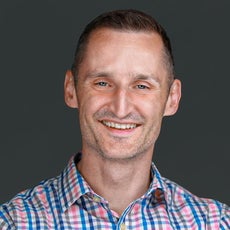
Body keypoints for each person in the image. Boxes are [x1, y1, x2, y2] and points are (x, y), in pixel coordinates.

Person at [0, 9, 229, 230]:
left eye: (141, 86)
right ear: (71, 89)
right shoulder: (13, 223)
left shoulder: (214, 223)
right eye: (102, 83)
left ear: (172, 98)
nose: (120, 108)